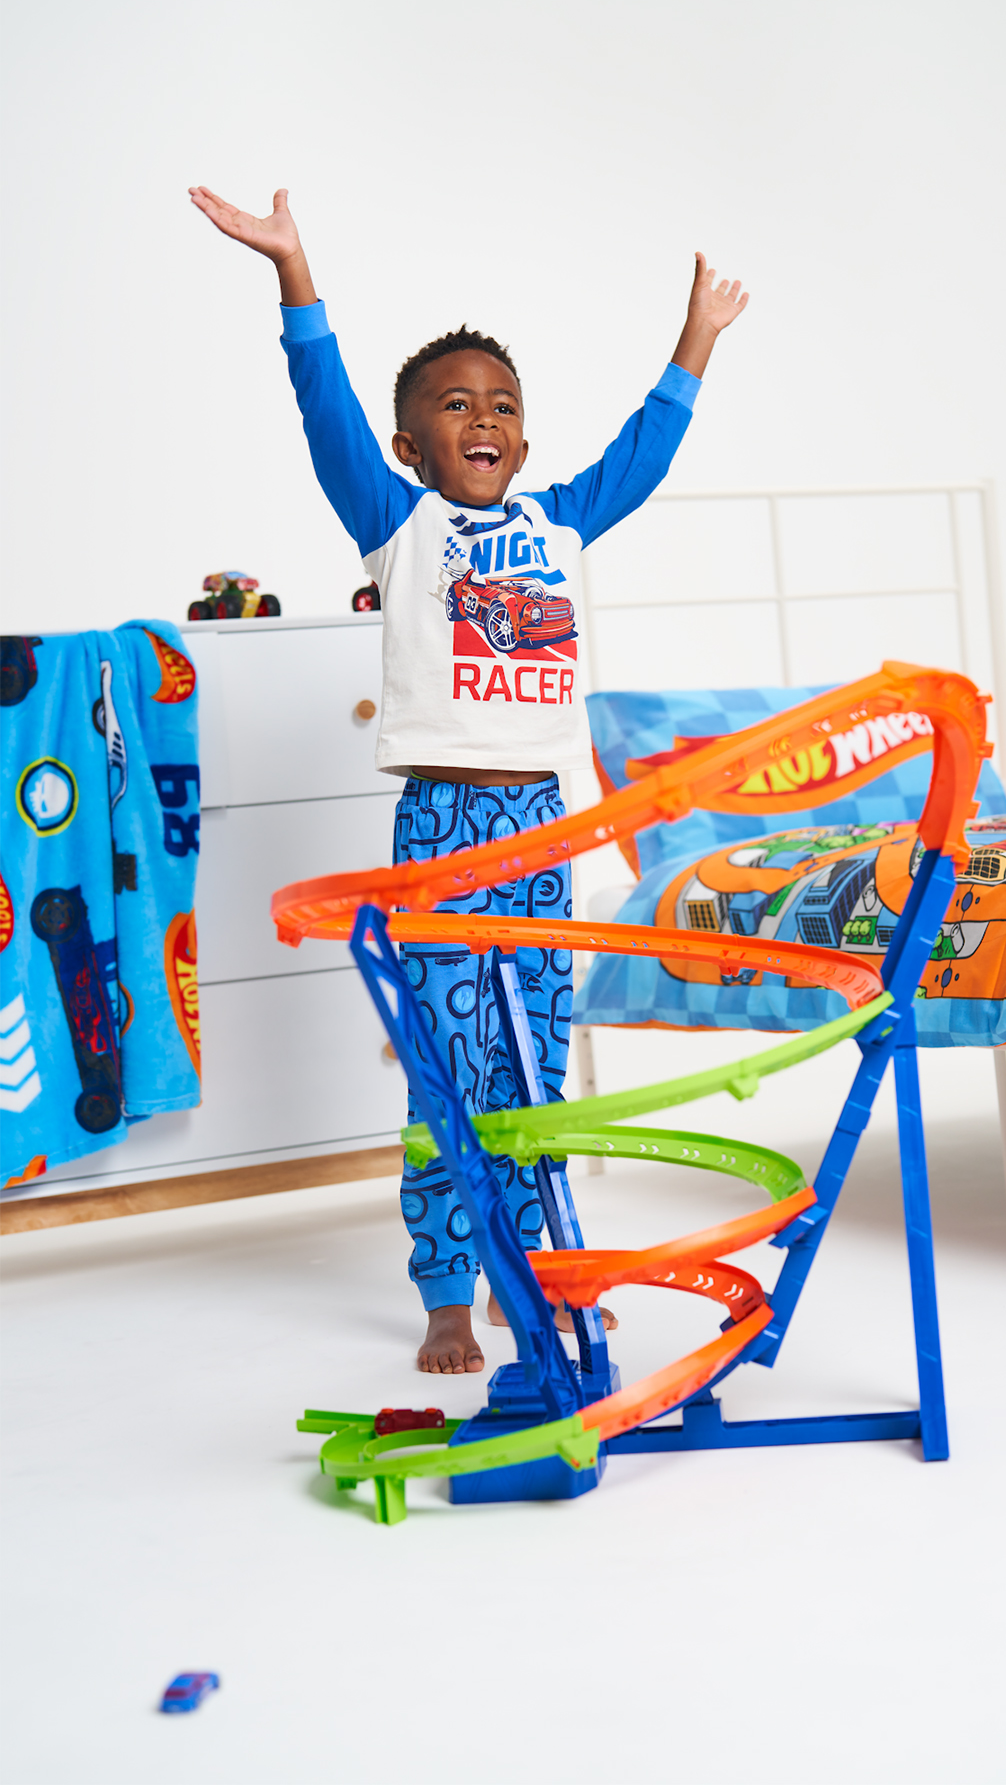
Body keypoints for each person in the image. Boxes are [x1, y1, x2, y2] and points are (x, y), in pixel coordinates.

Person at [189, 185, 749, 1374]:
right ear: (413, 446)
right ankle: (448, 1288)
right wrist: (296, 275)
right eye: (455, 406)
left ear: (526, 442)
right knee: (448, 1068)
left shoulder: (557, 520)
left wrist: (695, 340)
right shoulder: (397, 526)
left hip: (541, 832)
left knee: (534, 1067)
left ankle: (525, 1262)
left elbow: (640, 456)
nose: (483, 419)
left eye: (502, 406)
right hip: (443, 824)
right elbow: (324, 413)